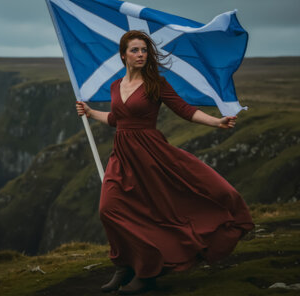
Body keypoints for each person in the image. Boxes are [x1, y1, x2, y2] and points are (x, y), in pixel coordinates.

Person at [75, 30, 254, 295]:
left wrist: (217, 121)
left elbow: (185, 110)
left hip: (151, 155)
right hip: (122, 156)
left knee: (158, 211)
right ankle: (123, 265)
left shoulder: (156, 84)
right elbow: (116, 119)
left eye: (144, 50)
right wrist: (91, 113)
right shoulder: (115, 86)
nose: (140, 55)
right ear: (123, 54)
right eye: (135, 50)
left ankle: (146, 274)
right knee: (108, 210)